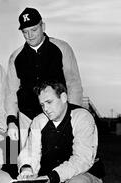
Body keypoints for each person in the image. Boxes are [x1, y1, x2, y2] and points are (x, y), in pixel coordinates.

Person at [5, 7, 83, 149]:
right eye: (25, 32)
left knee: (58, 160)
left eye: (34, 29)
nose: (30, 35)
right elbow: (11, 92)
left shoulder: (62, 48)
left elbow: (73, 83)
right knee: (27, 161)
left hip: (57, 115)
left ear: (43, 26)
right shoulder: (16, 57)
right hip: (27, 117)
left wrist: (74, 114)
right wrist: (11, 120)